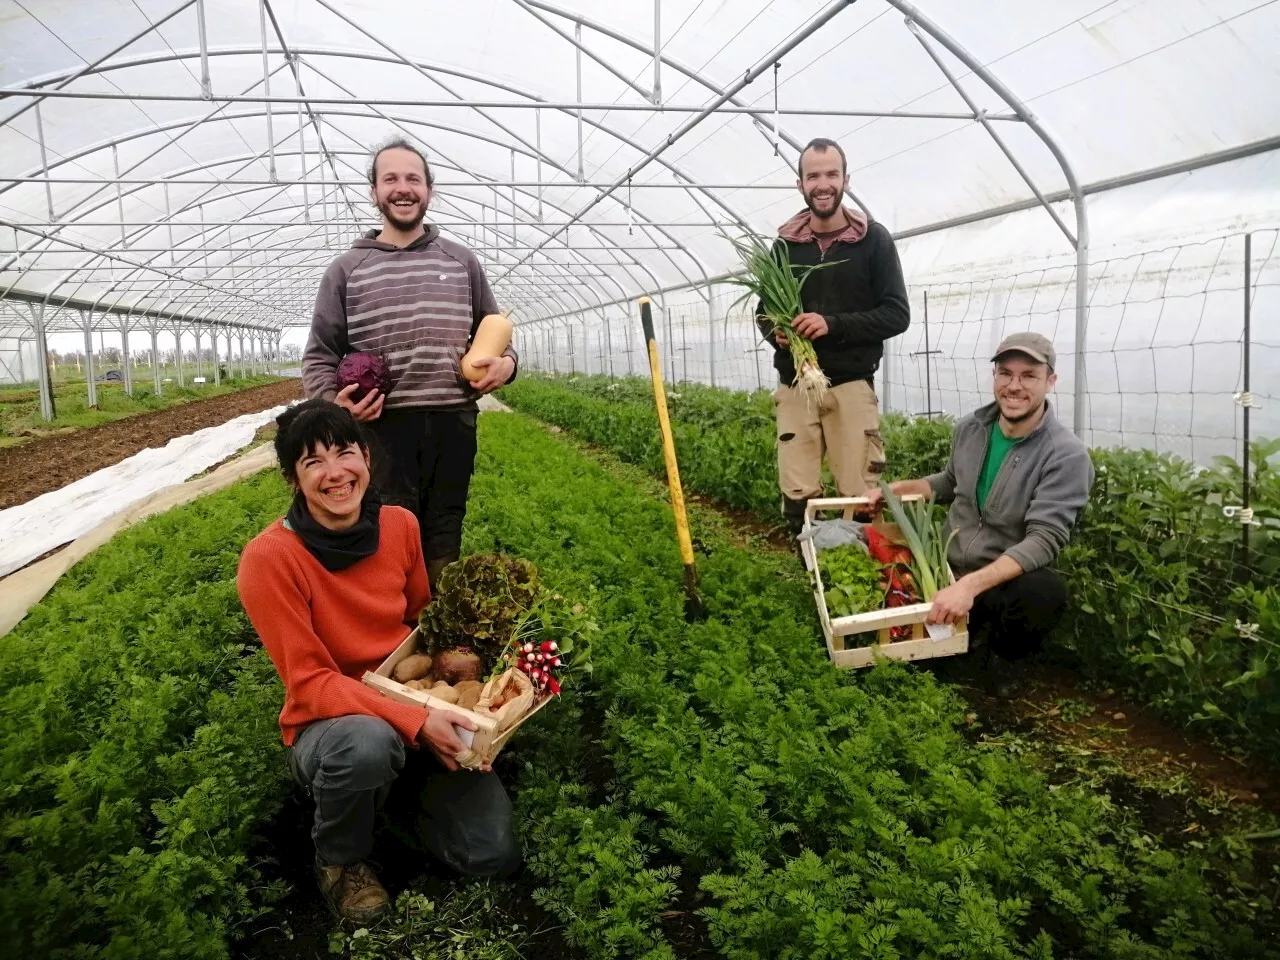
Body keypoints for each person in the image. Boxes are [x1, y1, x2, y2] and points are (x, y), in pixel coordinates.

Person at [237, 400, 520, 923]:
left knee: (490, 855)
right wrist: (417, 720)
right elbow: (311, 682)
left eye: (345, 452)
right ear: (292, 479)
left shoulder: (400, 526)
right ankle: (340, 859)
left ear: (367, 457)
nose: (336, 472)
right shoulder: (271, 558)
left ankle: (388, 799)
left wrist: (483, 687)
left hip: (412, 703)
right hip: (335, 725)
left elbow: (420, 625)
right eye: (313, 462)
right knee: (368, 746)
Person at [302, 137, 517, 586]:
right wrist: (336, 406)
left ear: (429, 190)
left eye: (413, 179)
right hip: (381, 427)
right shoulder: (346, 269)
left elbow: (494, 331)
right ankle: (392, 624)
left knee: (445, 525)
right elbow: (320, 354)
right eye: (391, 179)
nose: (403, 188)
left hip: (452, 419)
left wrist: (507, 365)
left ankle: (437, 619)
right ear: (374, 191)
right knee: (388, 525)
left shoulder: (461, 261)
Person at [864, 333, 1094, 693]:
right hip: (945, 571)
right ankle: (959, 636)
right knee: (916, 664)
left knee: (1043, 590)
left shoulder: (1065, 455)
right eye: (1005, 373)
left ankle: (1005, 659)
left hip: (995, 583)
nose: (1014, 386)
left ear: (1050, 381)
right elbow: (951, 481)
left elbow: (1045, 539)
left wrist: (969, 586)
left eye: (1029, 375)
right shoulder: (972, 428)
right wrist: (899, 491)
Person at [758, 137, 911, 541]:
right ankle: (808, 568)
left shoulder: (873, 241)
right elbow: (764, 311)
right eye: (813, 176)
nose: (822, 184)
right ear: (800, 184)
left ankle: (856, 568)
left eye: (831, 174)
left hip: (851, 383)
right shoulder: (784, 247)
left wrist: (834, 325)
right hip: (796, 385)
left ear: (845, 179)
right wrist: (778, 335)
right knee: (798, 488)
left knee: (859, 492)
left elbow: (897, 314)